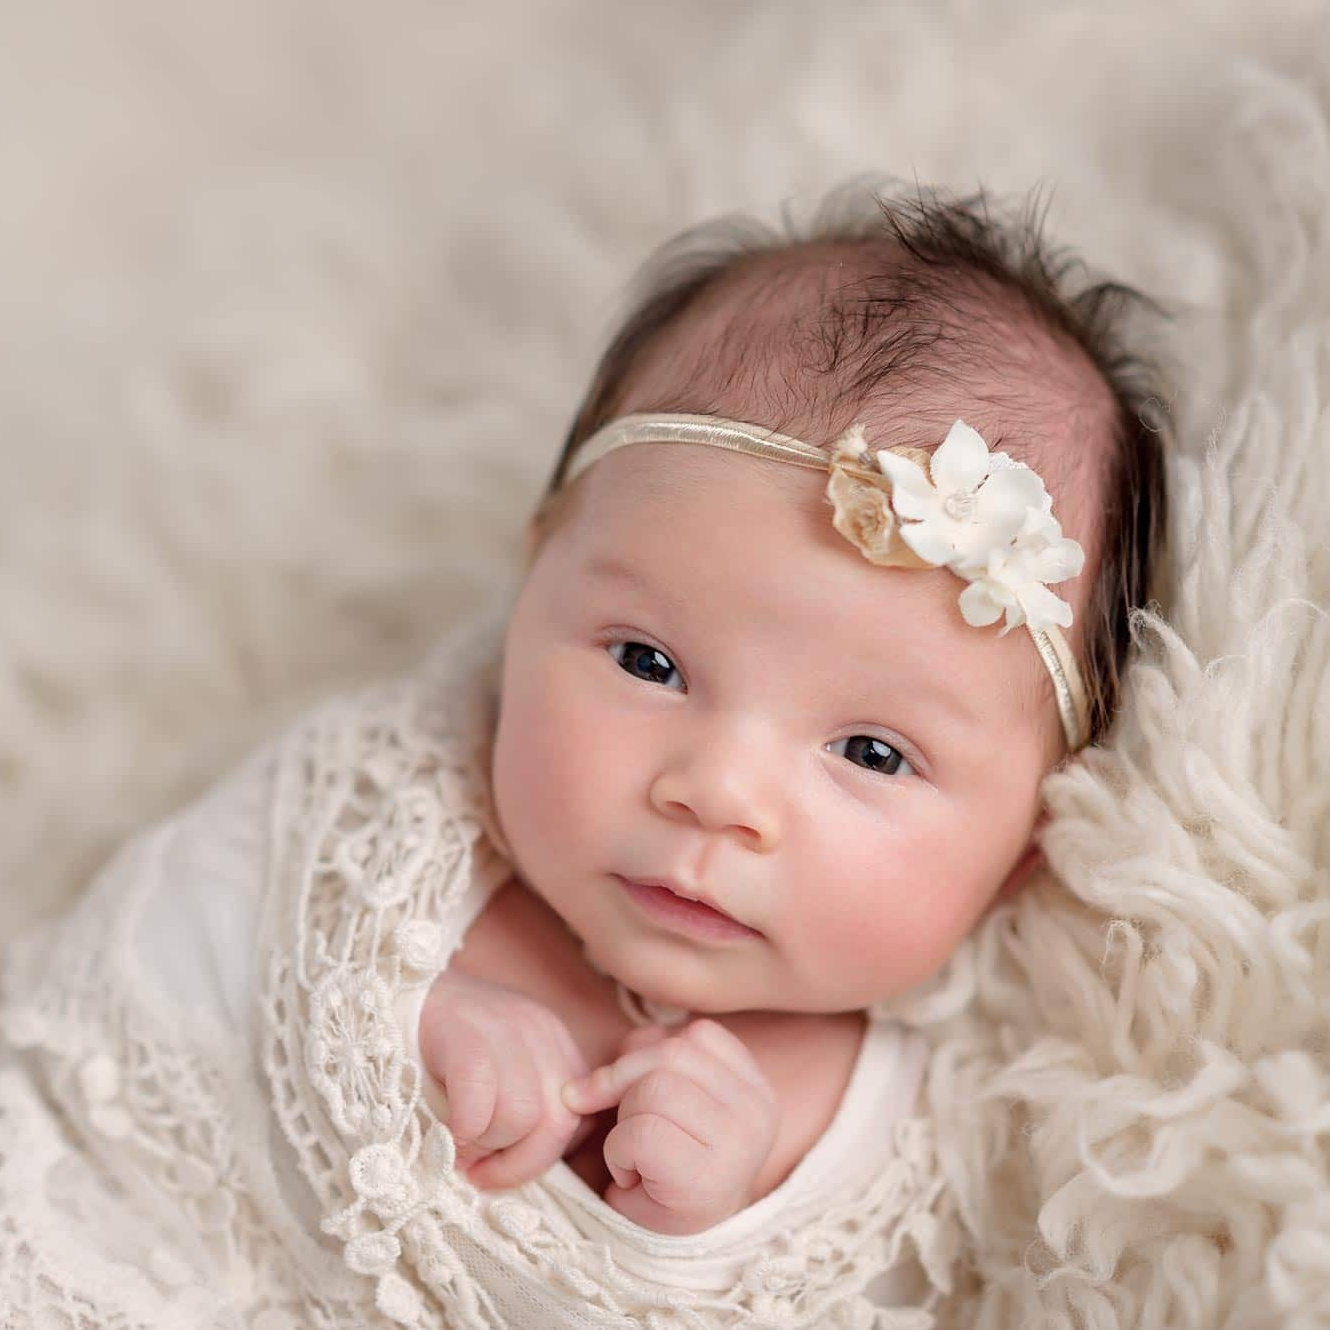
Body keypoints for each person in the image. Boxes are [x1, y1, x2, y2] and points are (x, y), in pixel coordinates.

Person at [0, 179, 1168, 1328]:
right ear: (531, 586)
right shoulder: (389, 802)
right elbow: (134, 990)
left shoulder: (919, 1141)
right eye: (648, 664)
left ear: (1022, 849)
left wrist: (692, 1234)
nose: (717, 793)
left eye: (870, 749)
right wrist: (405, 1022)